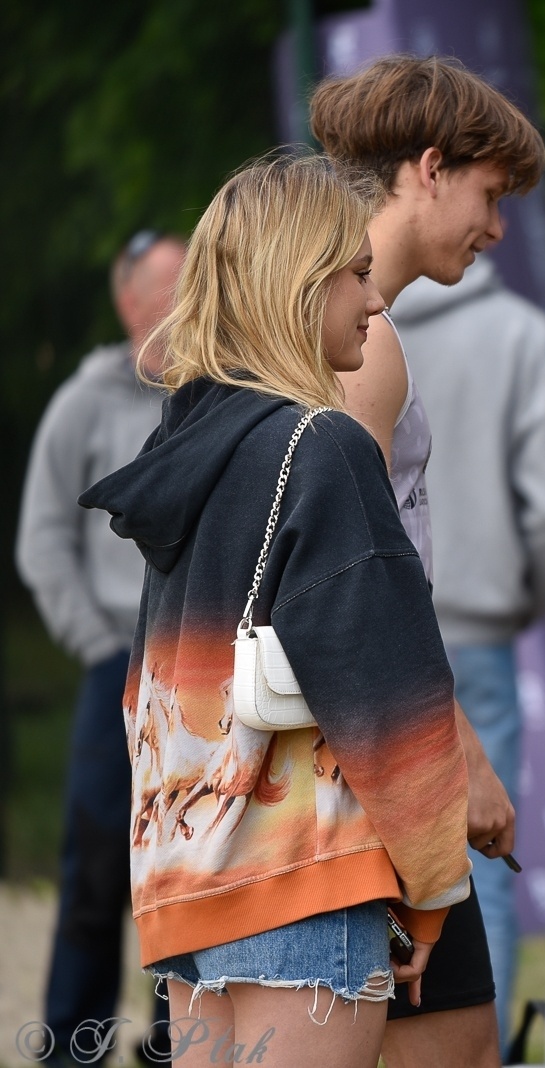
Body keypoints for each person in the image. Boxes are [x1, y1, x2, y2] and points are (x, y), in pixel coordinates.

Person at [80, 153, 473, 1068]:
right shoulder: (323, 444)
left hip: (187, 888)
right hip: (305, 883)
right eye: (357, 274)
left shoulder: (181, 449)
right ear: (298, 280)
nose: (376, 303)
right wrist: (431, 892)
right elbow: (394, 703)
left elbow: (147, 694)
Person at [310, 53, 545, 1063]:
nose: (497, 230)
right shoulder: (361, 342)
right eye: (491, 197)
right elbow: (358, 584)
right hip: (381, 764)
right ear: (431, 167)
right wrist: (466, 758)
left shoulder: (333, 312)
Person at [17, 229, 183, 1064]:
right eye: (172, 285)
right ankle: (70, 1050)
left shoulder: (213, 394)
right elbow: (41, 540)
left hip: (191, 677)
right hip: (110, 670)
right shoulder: (82, 402)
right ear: (129, 301)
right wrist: (91, 642)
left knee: (184, 875)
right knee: (92, 877)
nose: (189, 299)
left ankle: (175, 1048)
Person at [386, 252, 545, 1022]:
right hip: (472, 628)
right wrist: (523, 600)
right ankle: (475, 1034)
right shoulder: (520, 333)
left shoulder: (344, 326)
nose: (494, 224)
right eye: (490, 196)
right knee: (482, 852)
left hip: (363, 633)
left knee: (369, 858)